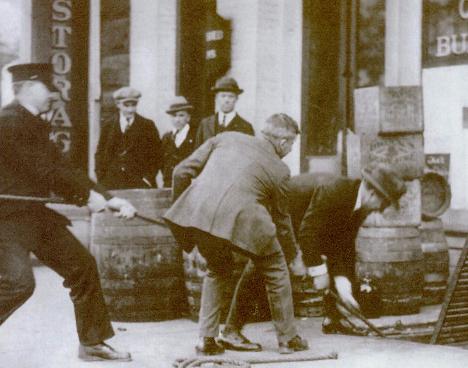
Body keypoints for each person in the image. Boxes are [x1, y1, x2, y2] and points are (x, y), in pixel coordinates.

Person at [0, 63, 137, 362]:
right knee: (18, 284)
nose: (51, 95)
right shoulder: (8, 121)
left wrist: (107, 197)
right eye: (47, 89)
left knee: (82, 265)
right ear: (29, 87)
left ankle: (93, 342)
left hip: (33, 214)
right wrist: (88, 197)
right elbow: (43, 170)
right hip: (6, 219)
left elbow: (63, 167)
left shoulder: (31, 121)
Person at [164, 114, 309, 355]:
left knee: (217, 269)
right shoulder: (281, 170)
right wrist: (294, 257)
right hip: (242, 221)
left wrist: (184, 215)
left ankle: (207, 340)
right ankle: (288, 339)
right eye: (292, 143)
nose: (291, 149)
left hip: (200, 215)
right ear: (283, 141)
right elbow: (283, 222)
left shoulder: (225, 138)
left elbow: (180, 172)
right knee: (275, 265)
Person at [219, 165, 406, 349]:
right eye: (384, 203)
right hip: (275, 215)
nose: (380, 210)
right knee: (262, 265)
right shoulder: (337, 192)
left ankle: (333, 320)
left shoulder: (358, 206)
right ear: (373, 194)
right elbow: (308, 233)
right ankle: (231, 330)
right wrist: (315, 270)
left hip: (301, 223)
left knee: (328, 267)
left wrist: (343, 282)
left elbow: (343, 246)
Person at [95, 86, 162, 189]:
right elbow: (100, 153)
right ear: (118, 104)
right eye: (126, 105)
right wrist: (102, 177)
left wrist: (148, 178)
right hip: (112, 182)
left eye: (134, 105)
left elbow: (157, 154)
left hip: (139, 182)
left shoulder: (147, 125)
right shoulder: (108, 125)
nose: (130, 109)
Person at [195, 77, 254, 147]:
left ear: (236, 99)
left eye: (231, 96)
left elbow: (249, 154)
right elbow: (197, 153)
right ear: (216, 98)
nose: (226, 100)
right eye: (223, 96)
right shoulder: (205, 124)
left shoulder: (245, 127)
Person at [161, 96, 197, 187]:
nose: (177, 119)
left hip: (189, 185)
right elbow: (162, 162)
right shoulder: (166, 138)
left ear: (188, 117)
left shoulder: (195, 136)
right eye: (174, 116)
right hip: (169, 184)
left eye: (181, 115)